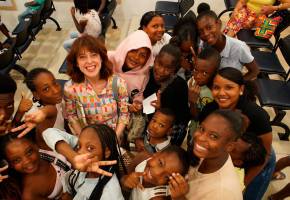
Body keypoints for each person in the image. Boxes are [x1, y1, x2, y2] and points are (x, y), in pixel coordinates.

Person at [198, 67, 275, 200]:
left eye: (229, 87)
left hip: (258, 156)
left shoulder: (256, 115)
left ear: (241, 89)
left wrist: (243, 183)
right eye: (216, 87)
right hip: (231, 155)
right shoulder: (209, 110)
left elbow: (266, 153)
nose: (221, 93)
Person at [64, 35, 129, 140]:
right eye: (82, 57)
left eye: (94, 55)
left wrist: (115, 139)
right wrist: (84, 140)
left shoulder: (118, 84)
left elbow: (124, 113)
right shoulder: (70, 88)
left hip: (115, 138)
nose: (89, 61)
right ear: (76, 63)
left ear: (101, 58)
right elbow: (72, 116)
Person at [168, 109, 244, 200]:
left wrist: (179, 197)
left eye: (213, 136)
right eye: (201, 128)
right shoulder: (207, 155)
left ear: (229, 146)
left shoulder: (224, 193)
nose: (200, 137)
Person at [42, 124, 124, 200]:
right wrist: (73, 157)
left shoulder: (110, 193)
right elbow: (48, 133)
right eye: (79, 146)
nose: (80, 152)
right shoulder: (82, 160)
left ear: (106, 152)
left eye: (90, 148)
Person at [143, 44, 190, 146]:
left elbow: (182, 118)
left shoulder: (179, 86)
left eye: (168, 68)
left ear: (174, 70)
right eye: (159, 64)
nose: (161, 70)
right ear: (155, 60)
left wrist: (160, 109)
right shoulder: (146, 75)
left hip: (167, 138)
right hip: (145, 130)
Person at [0, 132, 67, 199]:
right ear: (10, 164)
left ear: (35, 145)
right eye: (17, 160)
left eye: (29, 152)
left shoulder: (45, 143)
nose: (27, 161)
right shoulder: (29, 193)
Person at [196, 10, 260, 80]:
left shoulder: (239, 47)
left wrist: (236, 84)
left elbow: (255, 71)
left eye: (209, 27)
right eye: (201, 31)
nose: (205, 34)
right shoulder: (203, 47)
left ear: (219, 24)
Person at [121, 145, 190, 200]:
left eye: (167, 176)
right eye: (160, 163)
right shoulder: (142, 157)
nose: (157, 173)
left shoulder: (158, 196)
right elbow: (124, 178)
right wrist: (126, 180)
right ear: (157, 153)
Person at [186, 46, 221, 147]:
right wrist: (192, 101)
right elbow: (194, 116)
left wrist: (193, 101)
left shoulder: (218, 92)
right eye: (196, 70)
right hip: (194, 129)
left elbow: (202, 118)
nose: (198, 76)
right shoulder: (192, 83)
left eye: (205, 73)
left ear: (215, 72)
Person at [108, 30, 153, 102]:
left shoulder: (142, 76)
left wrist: (137, 104)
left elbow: (137, 96)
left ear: (147, 59)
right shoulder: (108, 59)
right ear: (126, 48)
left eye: (142, 55)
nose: (136, 57)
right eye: (134, 50)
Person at [224, 0, 290, 37]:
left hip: (259, 17)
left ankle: (223, 42)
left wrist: (274, 8)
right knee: (238, 19)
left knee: (237, 22)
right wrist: (236, 10)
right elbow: (242, 2)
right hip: (246, 11)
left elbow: (289, 3)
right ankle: (224, 42)